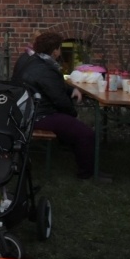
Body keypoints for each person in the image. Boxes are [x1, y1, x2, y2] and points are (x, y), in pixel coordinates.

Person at [11, 32, 103, 181]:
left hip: (23, 110)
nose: (60, 51)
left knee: (70, 125)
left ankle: (70, 147)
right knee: (86, 134)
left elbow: (55, 85)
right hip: (37, 115)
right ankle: (87, 173)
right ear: (54, 50)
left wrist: (71, 89)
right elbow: (59, 99)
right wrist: (73, 114)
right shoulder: (45, 69)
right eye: (59, 48)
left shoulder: (28, 59)